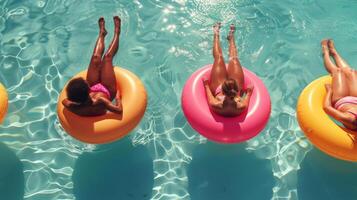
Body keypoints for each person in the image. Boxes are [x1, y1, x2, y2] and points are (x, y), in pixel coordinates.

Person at [62, 16, 123, 116]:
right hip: (107, 89)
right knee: (107, 57)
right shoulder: (100, 101)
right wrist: (117, 98)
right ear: (87, 88)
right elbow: (119, 110)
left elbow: (64, 101)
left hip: (92, 88)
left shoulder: (72, 106)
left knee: (95, 57)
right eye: (85, 82)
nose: (86, 81)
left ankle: (102, 34)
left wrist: (75, 98)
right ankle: (117, 32)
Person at [203, 23, 253, 117]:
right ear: (237, 89)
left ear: (223, 89)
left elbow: (208, 93)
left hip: (218, 89)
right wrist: (249, 91)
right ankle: (231, 37)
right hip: (234, 92)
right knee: (234, 58)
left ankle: (216, 33)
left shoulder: (216, 105)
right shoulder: (240, 106)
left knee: (219, 58)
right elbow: (248, 95)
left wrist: (206, 84)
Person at [322, 39, 357, 130]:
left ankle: (325, 51)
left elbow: (327, 108)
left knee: (338, 72)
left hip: (342, 99)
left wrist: (329, 91)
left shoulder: (350, 119)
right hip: (355, 99)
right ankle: (333, 52)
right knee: (352, 72)